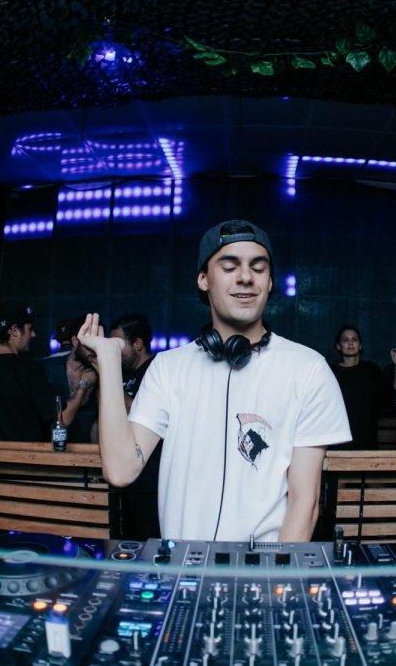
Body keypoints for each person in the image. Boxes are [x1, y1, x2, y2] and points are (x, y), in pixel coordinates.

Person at [77, 219, 352, 542]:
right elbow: (121, 470)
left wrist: (278, 571)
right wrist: (109, 364)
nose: (246, 277)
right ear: (203, 279)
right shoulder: (168, 368)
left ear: (270, 282)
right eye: (229, 266)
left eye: (258, 267)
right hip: (183, 564)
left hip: (265, 566)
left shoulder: (308, 370)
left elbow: (304, 503)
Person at [0, 302, 66, 442]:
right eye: (30, 329)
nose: (33, 334)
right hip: (21, 455)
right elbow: (61, 419)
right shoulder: (28, 370)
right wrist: (83, 387)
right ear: (15, 331)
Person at [106, 313, 161, 539]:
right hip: (125, 479)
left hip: (150, 481)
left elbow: (135, 410)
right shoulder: (122, 375)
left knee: (148, 544)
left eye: (118, 344)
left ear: (138, 344)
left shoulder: (155, 371)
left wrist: (106, 371)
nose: (115, 351)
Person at [42, 316, 100, 443]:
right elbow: (60, 420)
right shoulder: (49, 369)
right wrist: (84, 385)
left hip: (87, 450)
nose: (96, 349)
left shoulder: (99, 373)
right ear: (75, 341)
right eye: (90, 344)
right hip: (51, 448)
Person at [329, 325, 388, 450]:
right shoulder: (330, 372)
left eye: (354, 339)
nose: (350, 343)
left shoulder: (371, 370)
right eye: (345, 340)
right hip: (338, 442)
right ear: (338, 346)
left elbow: (388, 398)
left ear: (360, 345)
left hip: (367, 442)